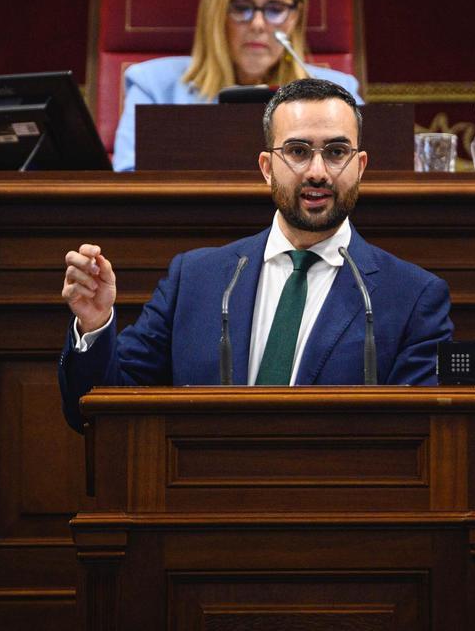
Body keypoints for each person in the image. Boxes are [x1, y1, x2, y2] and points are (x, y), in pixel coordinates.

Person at [59, 78, 451, 430]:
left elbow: (419, 437)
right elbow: (97, 411)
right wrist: (95, 326)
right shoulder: (195, 278)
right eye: (297, 151)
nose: (318, 171)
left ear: (360, 166)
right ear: (267, 167)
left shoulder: (412, 296)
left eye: (336, 152)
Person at [111, 0, 361, 171]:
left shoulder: (340, 93)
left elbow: (366, 179)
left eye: (275, 9)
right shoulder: (153, 88)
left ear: (295, 16)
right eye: (241, 7)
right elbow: (128, 185)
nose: (259, 24)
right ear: (217, 12)